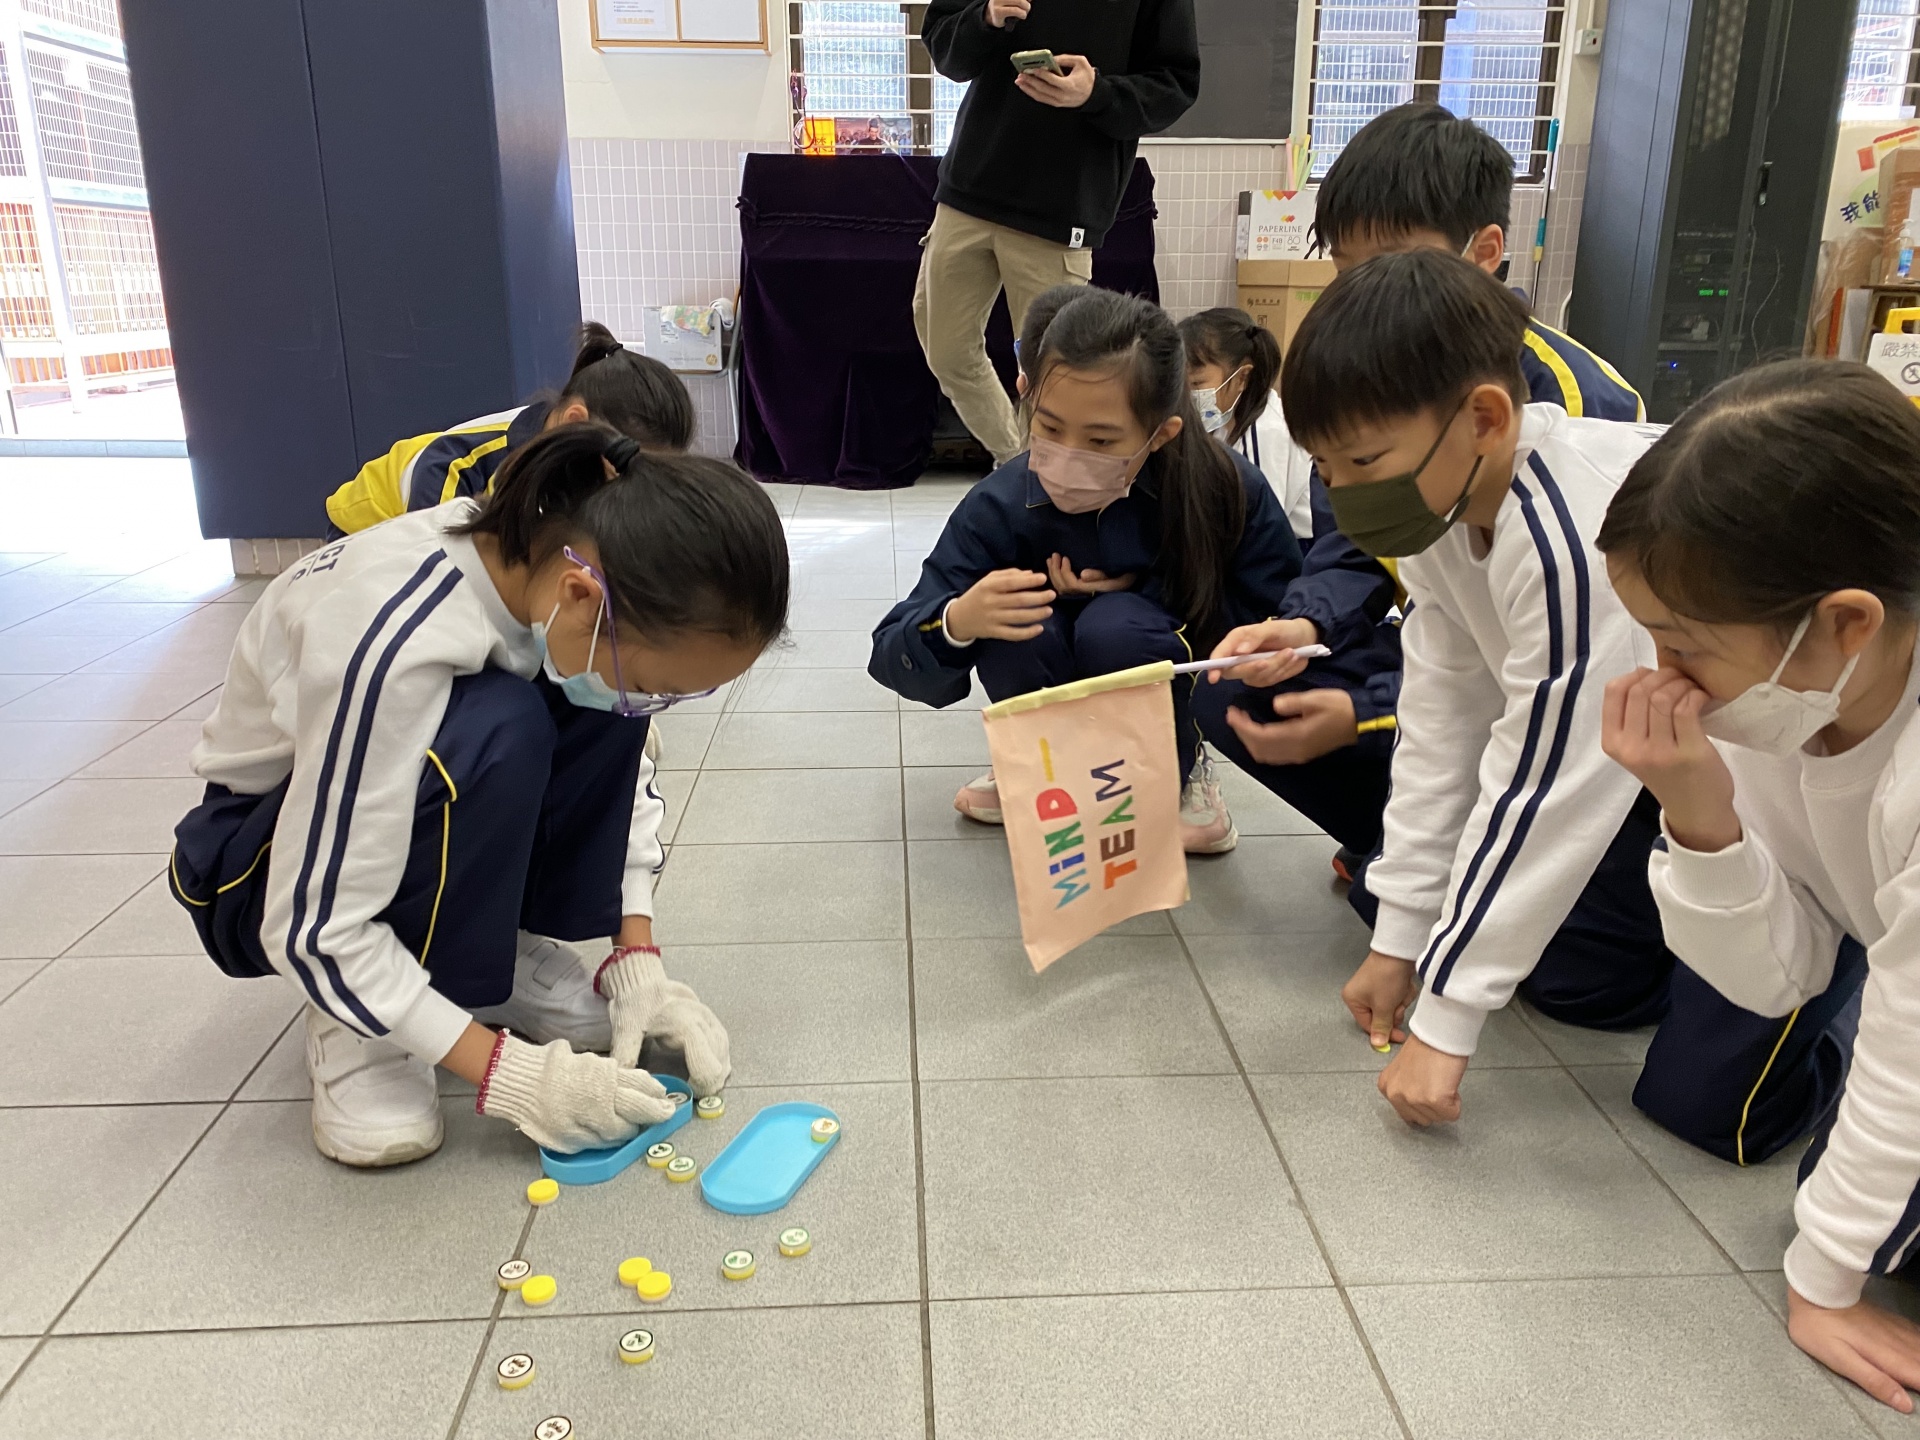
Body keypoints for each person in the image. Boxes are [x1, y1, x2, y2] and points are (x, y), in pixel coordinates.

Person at [171, 424, 788, 1165]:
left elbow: (622, 772)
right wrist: (516, 1076)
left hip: (376, 812)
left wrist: (637, 957)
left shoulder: (550, 573)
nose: (652, 705)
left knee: (592, 706)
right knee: (501, 724)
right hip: (263, 865)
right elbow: (312, 928)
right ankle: (358, 1027)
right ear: (581, 595)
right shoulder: (394, 637)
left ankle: (485, 961)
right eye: (658, 686)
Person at [1264, 250, 1708, 1138]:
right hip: (1661, 758)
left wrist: (1447, 1015)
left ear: (1485, 418)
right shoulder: (1441, 508)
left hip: (1799, 770)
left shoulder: (1572, 536)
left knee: (1705, 1101)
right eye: (1327, 468)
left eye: (1363, 460)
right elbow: (1441, 726)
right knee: (1469, 920)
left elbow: (1546, 784)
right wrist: (1401, 939)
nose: (1345, 496)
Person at [1189, 102, 1646, 876]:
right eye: (1345, 269)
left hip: (1555, 682)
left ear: (1485, 252)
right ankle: (1398, 842)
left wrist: (1370, 714)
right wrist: (1304, 622)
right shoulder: (1359, 371)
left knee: (1563, 950)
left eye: (1392, 261)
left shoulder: (1574, 406)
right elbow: (1356, 538)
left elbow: (1555, 664)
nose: (1363, 292)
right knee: (1234, 691)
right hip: (1438, 643)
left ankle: (1461, 853)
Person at [1596, 361, 1919, 1412]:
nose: (1661, 673)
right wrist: (1700, 815)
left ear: (1846, 623)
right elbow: (1778, 978)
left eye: (1685, 646)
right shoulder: (1791, 697)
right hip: (1890, 943)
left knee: (1864, 1223)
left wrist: (1825, 1283)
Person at [871, 286, 1301, 854]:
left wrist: (1146, 590)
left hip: (1148, 677)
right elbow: (892, 651)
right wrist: (957, 621)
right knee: (1015, 624)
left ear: (1161, 433)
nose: (1069, 452)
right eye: (1050, 428)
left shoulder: (1222, 488)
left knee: (1115, 627)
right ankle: (1033, 764)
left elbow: (1278, 611)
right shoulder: (999, 503)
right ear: (1027, 395)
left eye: (1100, 439)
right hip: (1041, 674)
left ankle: (1177, 771)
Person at [917, 0, 1198, 468]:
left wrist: (1097, 93)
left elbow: (1176, 84)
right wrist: (985, 17)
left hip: (1064, 207)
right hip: (971, 188)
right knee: (944, 349)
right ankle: (1019, 466)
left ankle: (1035, 482)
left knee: (1056, 375)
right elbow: (944, 45)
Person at [324, 322, 696, 537]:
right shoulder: (458, 469)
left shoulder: (562, 443)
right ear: (575, 422)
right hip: (364, 534)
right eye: (626, 468)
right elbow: (438, 575)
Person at [1176, 308, 1306, 538]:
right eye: (1182, 385)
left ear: (1242, 377)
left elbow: (1262, 523)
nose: (1188, 395)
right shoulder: (1222, 417)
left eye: (1196, 384)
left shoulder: (1266, 431)